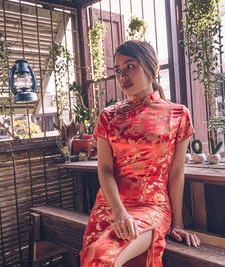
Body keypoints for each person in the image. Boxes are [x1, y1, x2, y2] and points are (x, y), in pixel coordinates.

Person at [79, 40, 200, 267]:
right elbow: (105, 169)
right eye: (118, 71)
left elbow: (176, 172)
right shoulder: (108, 116)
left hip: (151, 208)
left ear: (151, 68)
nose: (123, 76)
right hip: (110, 207)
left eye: (130, 66)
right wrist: (119, 212)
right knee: (95, 257)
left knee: (101, 257)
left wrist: (178, 223)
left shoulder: (178, 115)